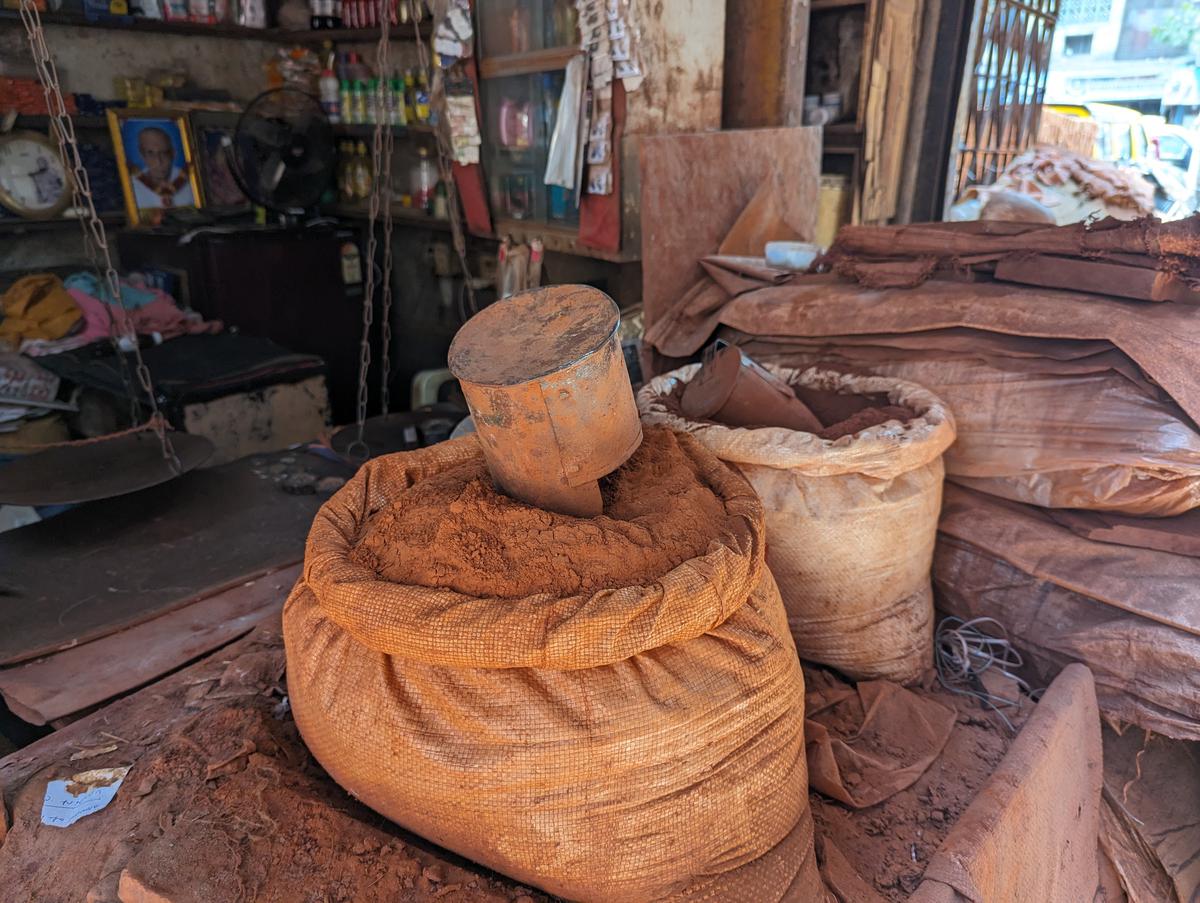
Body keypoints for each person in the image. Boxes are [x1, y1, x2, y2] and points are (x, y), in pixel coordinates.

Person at [130, 125, 194, 209]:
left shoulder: (192, 183)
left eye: (164, 153)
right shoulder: (132, 187)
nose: (158, 161)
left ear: (173, 153)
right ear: (142, 155)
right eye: (151, 153)